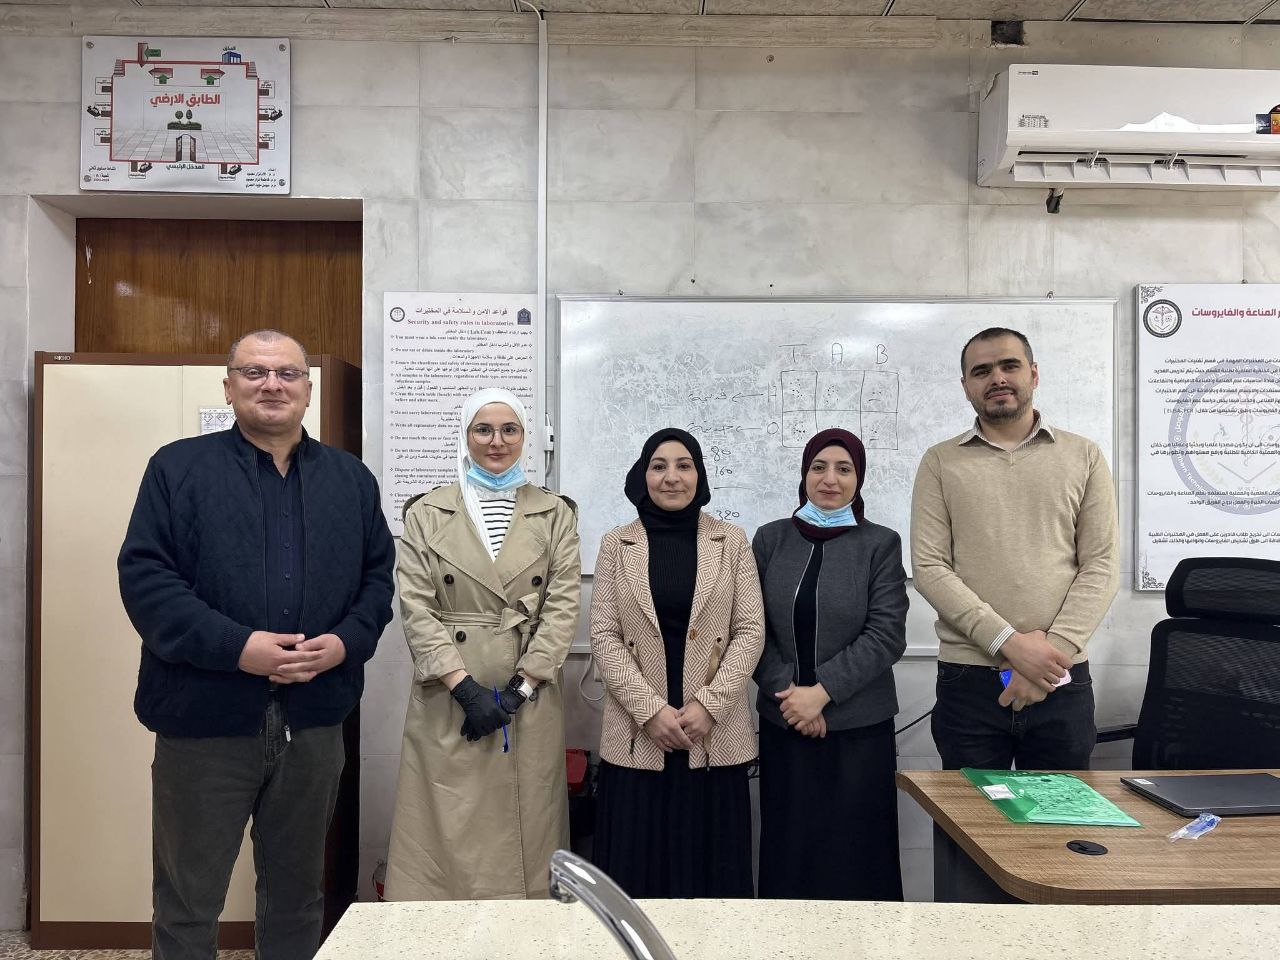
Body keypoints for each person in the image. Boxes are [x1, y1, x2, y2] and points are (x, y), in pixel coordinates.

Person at [118, 330, 395, 960]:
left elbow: (378, 579)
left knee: (297, 898)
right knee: (188, 903)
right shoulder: (177, 468)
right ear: (229, 387)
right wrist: (237, 647)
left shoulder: (350, 479)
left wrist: (344, 643)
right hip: (203, 721)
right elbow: (147, 580)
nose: (272, 384)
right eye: (255, 372)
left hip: (314, 723)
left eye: (287, 373)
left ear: (307, 389)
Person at [386, 388, 581, 900]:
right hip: (448, 691)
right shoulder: (427, 512)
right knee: (445, 826)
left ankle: (526, 936)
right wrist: (464, 688)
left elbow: (562, 606)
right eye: (484, 429)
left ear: (525, 438)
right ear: (466, 436)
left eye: (509, 429)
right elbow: (416, 605)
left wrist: (521, 688)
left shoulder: (555, 513)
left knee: (529, 826)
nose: (497, 441)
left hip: (529, 695)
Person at [911, 327, 1119, 772]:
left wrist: (1046, 657)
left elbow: (1101, 565)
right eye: (981, 371)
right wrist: (1009, 644)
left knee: (1060, 814)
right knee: (969, 814)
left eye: (1009, 365)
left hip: (1061, 675)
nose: (997, 378)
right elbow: (930, 567)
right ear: (966, 386)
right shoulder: (940, 461)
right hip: (969, 680)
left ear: (1034, 374)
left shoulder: (1083, 455)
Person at [589, 427, 764, 898]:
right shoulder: (616, 544)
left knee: (713, 883)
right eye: (659, 466)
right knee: (636, 880)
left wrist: (709, 705)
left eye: (684, 466)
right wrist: (650, 711)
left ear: (699, 475)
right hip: (637, 737)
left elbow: (750, 631)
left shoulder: (731, 541)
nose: (672, 477)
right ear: (642, 475)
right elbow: (604, 635)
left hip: (713, 736)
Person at [752, 428, 907, 901]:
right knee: (790, 851)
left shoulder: (880, 544)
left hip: (858, 731)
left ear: (859, 478)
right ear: (804, 475)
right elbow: (750, 629)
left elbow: (886, 635)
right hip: (784, 725)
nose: (830, 479)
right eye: (818, 467)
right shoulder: (770, 539)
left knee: (856, 857)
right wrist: (792, 698)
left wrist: (821, 694)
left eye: (844, 469)